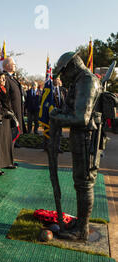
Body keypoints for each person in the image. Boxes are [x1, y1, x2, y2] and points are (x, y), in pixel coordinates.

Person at [50, 52, 102, 241]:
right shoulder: (79, 81)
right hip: (81, 137)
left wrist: (57, 118)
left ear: (72, 66)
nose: (62, 77)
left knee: (84, 183)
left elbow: (81, 118)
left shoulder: (86, 81)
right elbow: (72, 109)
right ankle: (81, 223)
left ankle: (82, 229)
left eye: (63, 72)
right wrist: (60, 112)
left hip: (87, 138)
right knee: (80, 181)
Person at [3, 57, 25, 162]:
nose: (15, 66)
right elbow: (5, 97)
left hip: (17, 112)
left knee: (14, 137)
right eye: (14, 64)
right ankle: (8, 160)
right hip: (11, 113)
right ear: (7, 66)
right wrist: (10, 112)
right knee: (9, 138)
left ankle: (10, 159)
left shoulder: (12, 78)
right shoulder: (5, 78)